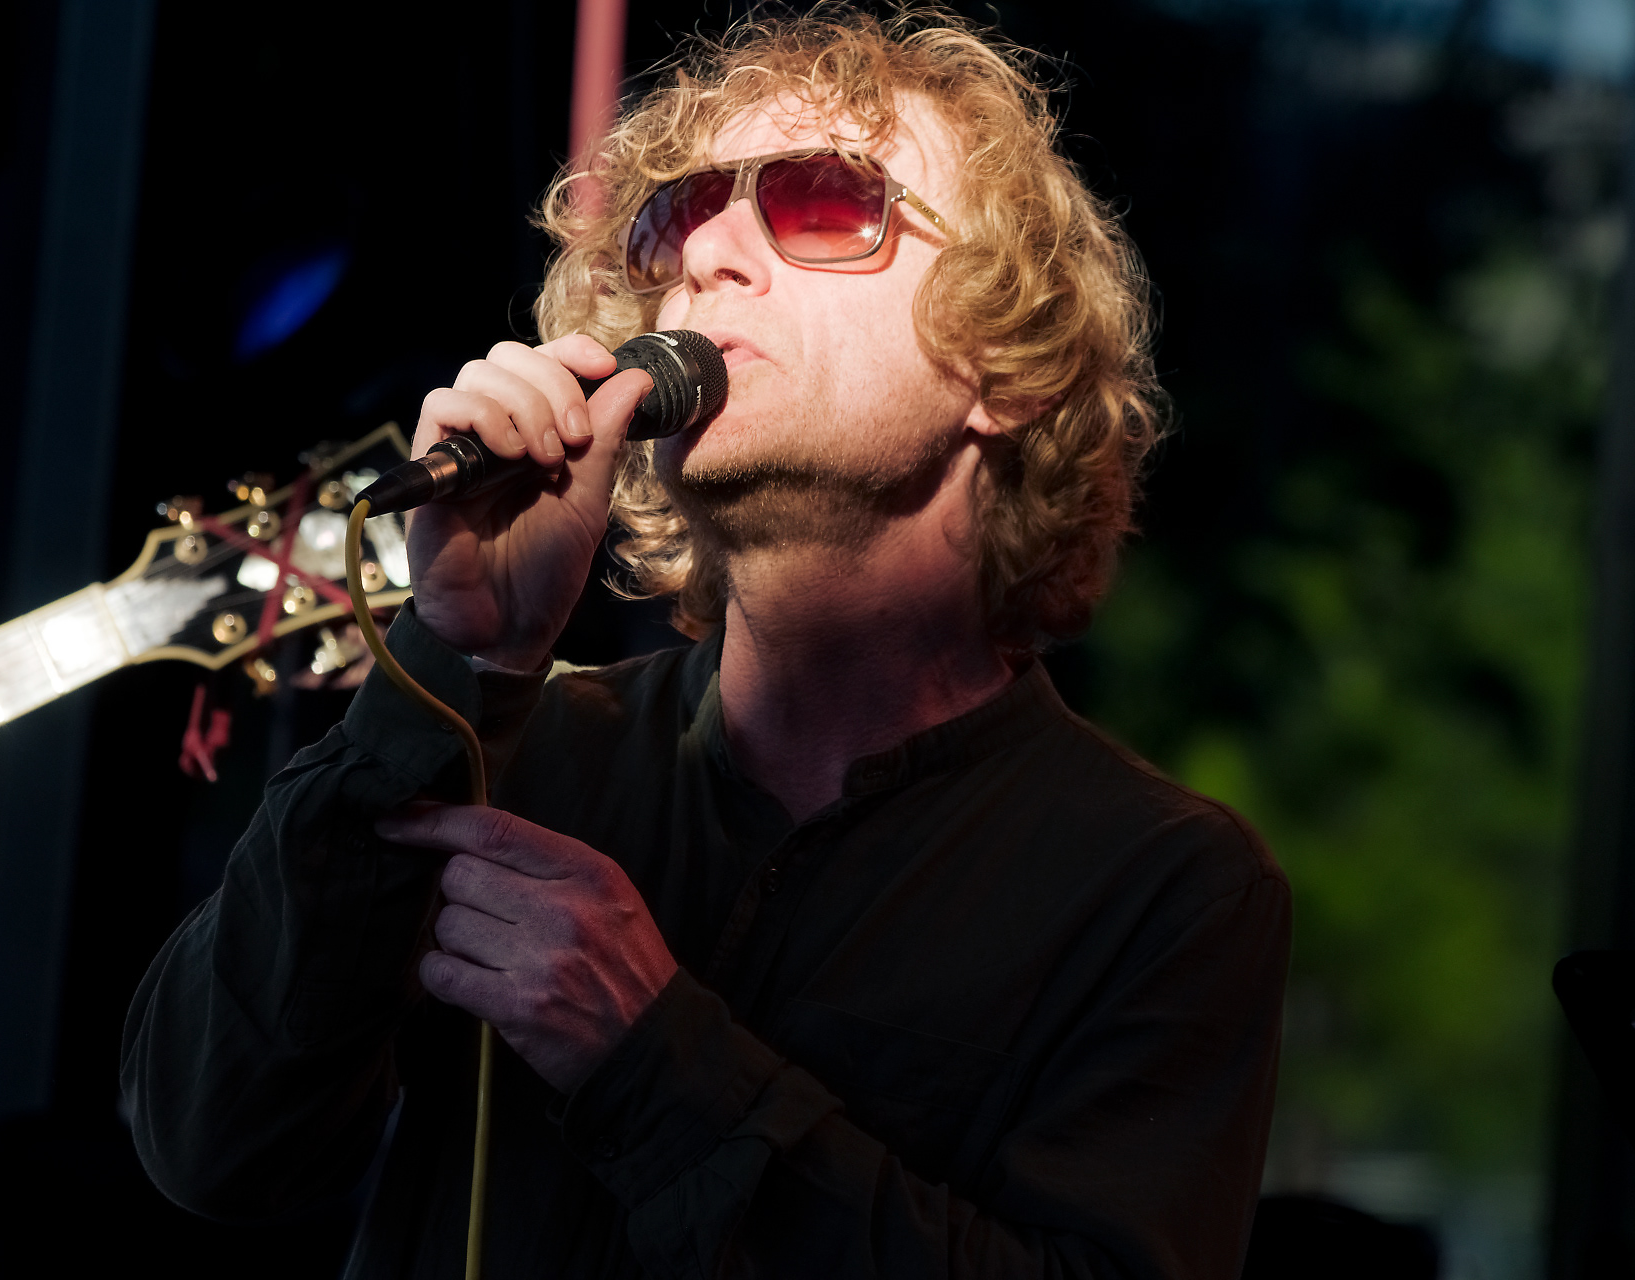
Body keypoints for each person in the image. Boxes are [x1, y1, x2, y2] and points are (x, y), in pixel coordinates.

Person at [125, 10, 1290, 1278]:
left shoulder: (1158, 884)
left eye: (823, 202)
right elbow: (212, 1141)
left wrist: (649, 1055)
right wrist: (456, 661)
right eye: (676, 218)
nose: (710, 251)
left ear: (1003, 369)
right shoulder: (509, 742)